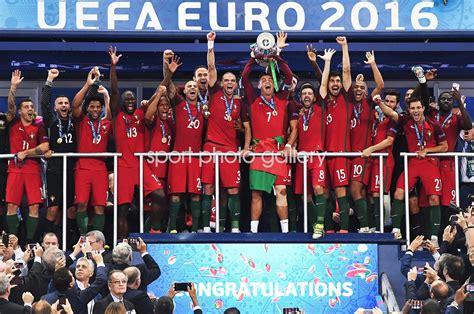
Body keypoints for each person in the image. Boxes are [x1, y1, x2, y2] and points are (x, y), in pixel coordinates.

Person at [108, 47, 167, 238]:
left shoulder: (142, 114)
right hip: (123, 166)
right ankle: (122, 244)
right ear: (122, 103)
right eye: (127, 99)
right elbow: (115, 90)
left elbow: (160, 92)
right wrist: (113, 67)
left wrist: (169, 74)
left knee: (160, 195)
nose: (130, 101)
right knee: (122, 209)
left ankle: (154, 230)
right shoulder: (118, 115)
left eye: (133, 98)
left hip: (141, 165)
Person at [241, 31, 294, 233]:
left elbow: (288, 75)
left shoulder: (282, 99)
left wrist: (276, 55)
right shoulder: (253, 100)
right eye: (262, 80)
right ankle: (253, 232)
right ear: (259, 85)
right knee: (256, 194)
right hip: (259, 151)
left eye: (269, 79)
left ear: (274, 83)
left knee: (281, 191)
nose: (266, 82)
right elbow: (245, 77)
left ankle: (286, 232)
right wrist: (254, 58)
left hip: (278, 151)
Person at [378, 96, 448, 243]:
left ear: (423, 108)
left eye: (418, 108)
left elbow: (445, 146)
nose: (415, 111)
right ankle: (396, 230)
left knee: (434, 198)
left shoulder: (434, 124)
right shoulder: (405, 121)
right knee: (398, 192)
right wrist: (379, 103)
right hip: (412, 164)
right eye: (412, 108)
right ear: (408, 110)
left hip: (429, 163)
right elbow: (391, 113)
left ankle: (434, 237)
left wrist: (427, 150)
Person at [201, 31, 251, 233]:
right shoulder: (214, 94)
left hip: (231, 150)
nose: (230, 83)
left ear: (235, 84)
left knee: (232, 189)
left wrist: (246, 148)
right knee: (208, 188)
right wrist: (210, 44)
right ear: (222, 83)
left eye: (233, 81)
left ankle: (235, 228)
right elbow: (211, 67)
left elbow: (247, 127)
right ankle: (205, 227)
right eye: (226, 80)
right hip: (211, 147)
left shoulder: (240, 103)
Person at [293, 49, 335, 239]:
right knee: (305, 196)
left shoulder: (320, 108)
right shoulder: (298, 114)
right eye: (304, 93)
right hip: (301, 157)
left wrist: (325, 63)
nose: (308, 95)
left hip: (317, 156)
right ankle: (313, 226)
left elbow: (324, 84)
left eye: (310, 93)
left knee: (319, 189)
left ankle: (319, 225)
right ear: (301, 97)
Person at [161, 54, 205, 233]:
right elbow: (167, 87)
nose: (193, 88)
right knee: (176, 195)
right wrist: (168, 70)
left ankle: (195, 229)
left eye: (195, 86)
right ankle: (172, 228)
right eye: (189, 86)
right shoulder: (178, 104)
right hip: (178, 157)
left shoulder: (204, 108)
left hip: (195, 157)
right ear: (185, 91)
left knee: (195, 194)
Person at [5, 70, 50, 241]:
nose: (30, 109)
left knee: (34, 208)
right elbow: (10, 106)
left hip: (33, 170)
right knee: (11, 205)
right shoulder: (14, 121)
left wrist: (26, 153)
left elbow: (45, 146)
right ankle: (12, 240)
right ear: (20, 112)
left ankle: (30, 242)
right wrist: (13, 87)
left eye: (32, 107)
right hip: (15, 169)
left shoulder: (39, 127)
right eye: (26, 107)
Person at [72, 67, 112, 235]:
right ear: (87, 108)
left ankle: (98, 241)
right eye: (92, 107)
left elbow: (110, 113)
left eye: (98, 107)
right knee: (81, 204)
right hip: (83, 167)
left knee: (99, 206)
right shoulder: (81, 121)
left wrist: (106, 96)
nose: (95, 110)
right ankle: (83, 238)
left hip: (100, 168)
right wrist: (88, 85)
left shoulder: (105, 123)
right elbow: (75, 105)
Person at [320, 37, 353, 233]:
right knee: (323, 192)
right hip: (324, 154)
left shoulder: (346, 99)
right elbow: (322, 85)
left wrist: (344, 47)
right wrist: (327, 63)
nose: (335, 83)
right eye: (332, 80)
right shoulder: (323, 101)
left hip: (341, 154)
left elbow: (347, 71)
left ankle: (345, 232)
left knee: (341, 192)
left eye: (337, 81)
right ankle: (328, 230)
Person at [349, 51, 384, 233]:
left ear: (366, 91)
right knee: (361, 192)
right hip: (349, 154)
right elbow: (347, 79)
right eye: (356, 87)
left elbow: (380, 84)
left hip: (363, 154)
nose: (358, 90)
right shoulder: (347, 104)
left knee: (356, 190)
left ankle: (364, 227)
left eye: (362, 88)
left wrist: (372, 64)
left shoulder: (370, 103)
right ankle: (369, 226)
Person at [40, 68, 77, 236]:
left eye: (66, 103)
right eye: (60, 103)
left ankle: (70, 244)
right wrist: (49, 79)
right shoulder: (52, 121)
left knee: (70, 210)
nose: (64, 105)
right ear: (55, 107)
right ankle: (47, 243)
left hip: (72, 169)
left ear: (69, 107)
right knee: (53, 209)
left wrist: (93, 82)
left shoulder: (75, 121)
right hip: (54, 169)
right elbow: (44, 103)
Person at [362, 90, 399, 231]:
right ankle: (372, 226)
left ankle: (379, 229)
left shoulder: (394, 120)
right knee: (371, 193)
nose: (389, 103)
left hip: (385, 160)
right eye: (387, 100)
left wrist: (371, 149)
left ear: (397, 104)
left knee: (378, 193)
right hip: (373, 160)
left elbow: (389, 141)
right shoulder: (377, 118)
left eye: (392, 101)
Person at [143, 85, 172, 233]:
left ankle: (150, 233)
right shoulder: (153, 121)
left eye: (167, 105)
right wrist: (156, 96)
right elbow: (148, 115)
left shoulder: (171, 123)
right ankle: (153, 231)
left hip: (165, 167)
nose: (165, 108)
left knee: (161, 204)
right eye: (162, 105)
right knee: (157, 197)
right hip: (150, 165)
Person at [42, 250, 107, 314]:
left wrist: (58, 271)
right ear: (71, 283)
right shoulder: (78, 296)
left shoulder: (97, 296)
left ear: (91, 273)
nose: (80, 269)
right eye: (77, 266)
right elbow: (101, 280)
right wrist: (100, 262)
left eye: (84, 267)